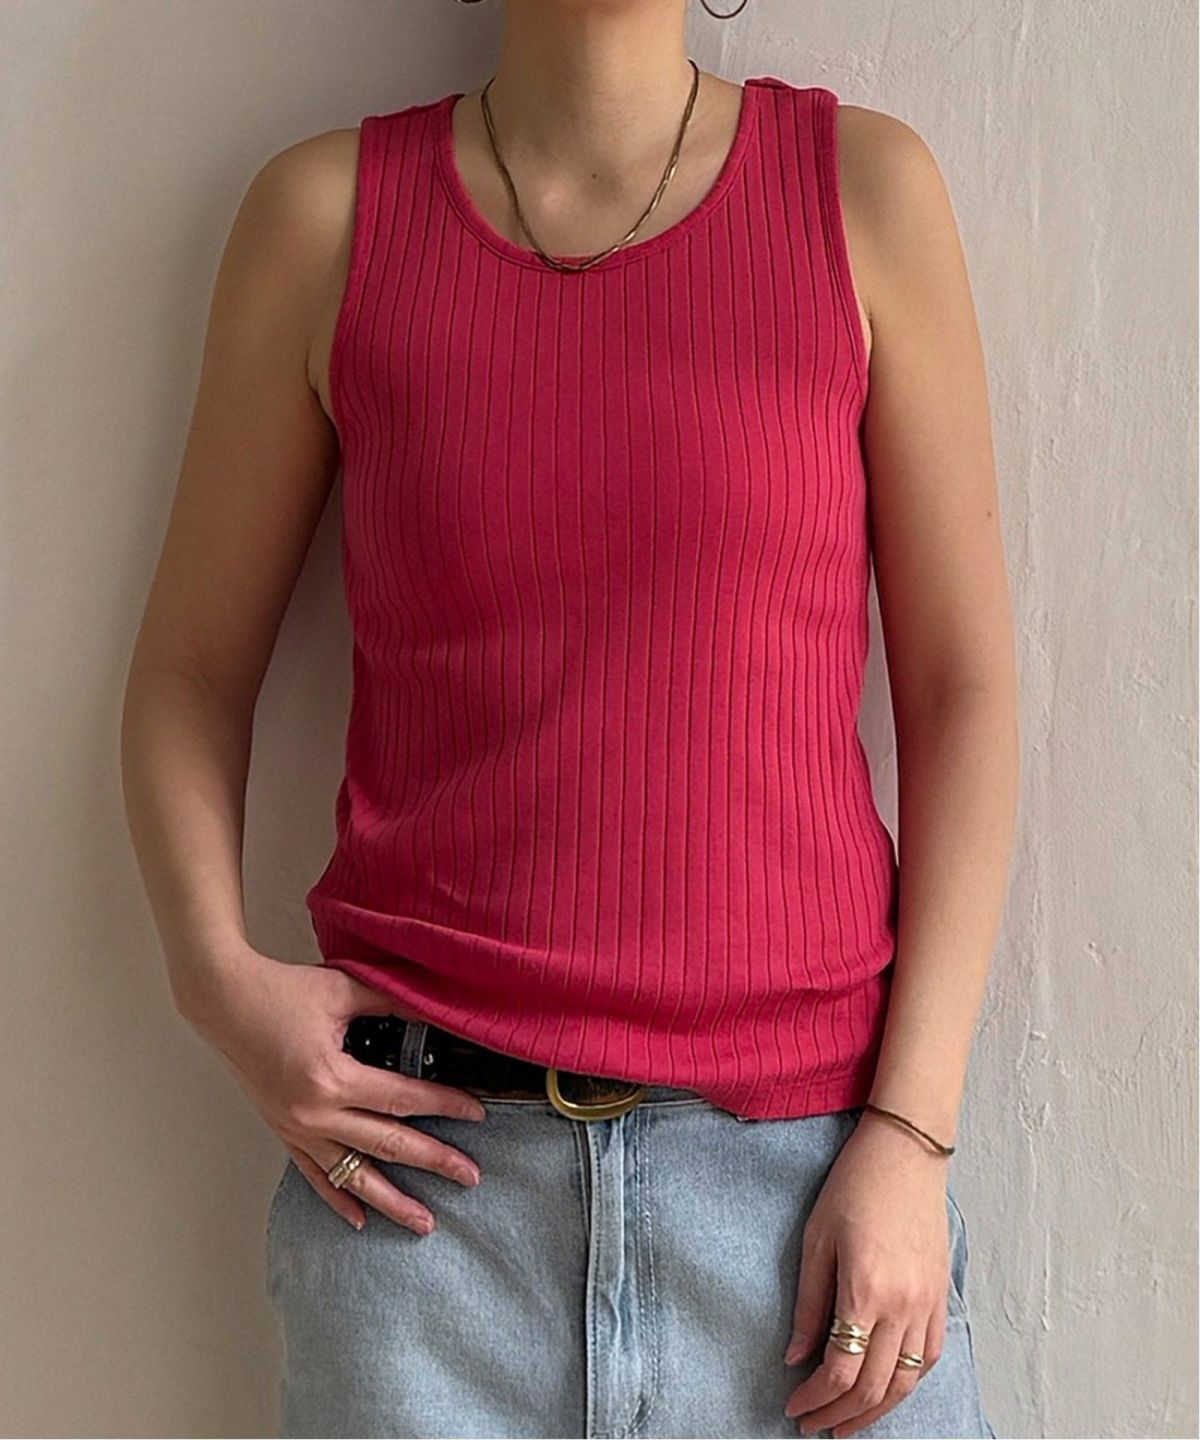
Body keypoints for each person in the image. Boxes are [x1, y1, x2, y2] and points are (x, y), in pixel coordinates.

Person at [120, 1, 1017, 1435]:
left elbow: (963, 691)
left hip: (813, 1216)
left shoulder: (862, 194)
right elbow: (189, 672)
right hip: (425, 1225)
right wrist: (212, 983)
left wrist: (915, 1134)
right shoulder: (325, 220)